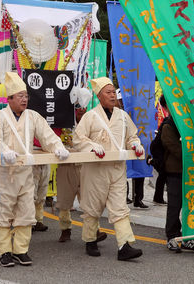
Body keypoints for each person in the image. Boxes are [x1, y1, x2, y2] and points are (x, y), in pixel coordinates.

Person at [0, 72, 69, 267]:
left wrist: (58, 147)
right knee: (2, 213)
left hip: (25, 173)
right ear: (10, 99)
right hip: (3, 174)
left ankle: (21, 250)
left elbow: (47, 135)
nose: (24, 99)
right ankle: (5, 251)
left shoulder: (33, 116)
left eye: (26, 95)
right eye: (20, 96)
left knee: (25, 211)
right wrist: (4, 152)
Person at [73, 77, 144, 260]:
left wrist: (136, 144)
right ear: (99, 96)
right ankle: (90, 239)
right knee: (92, 206)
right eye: (108, 92)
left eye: (114, 92)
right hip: (95, 170)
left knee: (120, 207)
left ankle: (124, 246)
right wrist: (91, 146)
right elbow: (78, 139)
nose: (113, 96)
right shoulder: (90, 116)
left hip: (117, 168)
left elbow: (132, 136)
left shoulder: (123, 116)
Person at [156, 96, 194, 253]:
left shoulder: (190, 123)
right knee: (174, 205)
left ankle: (188, 238)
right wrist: (193, 154)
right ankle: (172, 236)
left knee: (191, 206)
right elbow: (175, 149)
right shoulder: (168, 125)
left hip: (192, 171)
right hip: (175, 172)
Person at [56, 99, 107, 243]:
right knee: (64, 200)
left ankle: (94, 231)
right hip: (67, 165)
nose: (81, 110)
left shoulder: (90, 123)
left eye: (84, 107)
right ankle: (65, 229)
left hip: (86, 166)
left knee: (89, 200)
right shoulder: (63, 123)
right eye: (78, 107)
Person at [31, 163, 51, 231]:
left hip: (45, 164)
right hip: (32, 165)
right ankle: (29, 222)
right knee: (31, 195)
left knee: (42, 195)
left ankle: (38, 220)